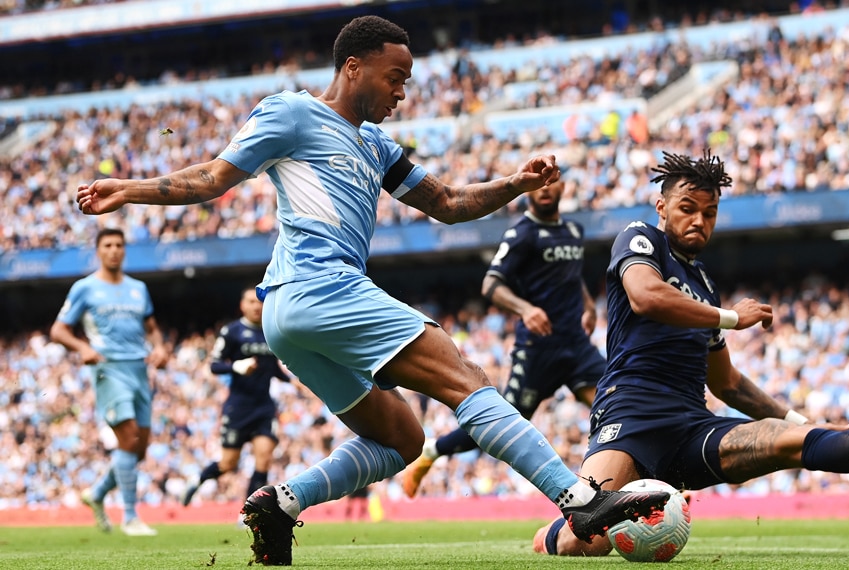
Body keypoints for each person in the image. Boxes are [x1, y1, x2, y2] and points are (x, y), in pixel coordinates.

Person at [76, 15, 669, 566]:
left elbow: (447, 203)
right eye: (396, 77)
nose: (402, 92)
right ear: (353, 67)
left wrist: (514, 183)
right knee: (464, 379)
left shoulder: (378, 146)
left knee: (402, 438)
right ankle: (578, 499)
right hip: (320, 287)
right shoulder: (290, 113)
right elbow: (212, 177)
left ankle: (282, 502)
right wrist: (131, 188)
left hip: (289, 316)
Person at [533, 151, 849, 556]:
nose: (699, 221)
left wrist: (801, 422)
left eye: (710, 213)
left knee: (792, 442)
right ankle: (548, 536)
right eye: (687, 208)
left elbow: (728, 384)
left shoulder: (703, 284)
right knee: (587, 539)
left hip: (690, 426)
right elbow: (645, 296)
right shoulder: (641, 239)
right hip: (630, 415)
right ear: (661, 207)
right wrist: (730, 317)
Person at [401, 179, 606, 498]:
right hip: (538, 349)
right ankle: (434, 451)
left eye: (553, 183)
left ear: (565, 187)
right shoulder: (521, 233)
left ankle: (616, 484)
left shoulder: (574, 232)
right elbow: (491, 285)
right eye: (540, 184)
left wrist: (589, 305)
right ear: (530, 191)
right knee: (503, 426)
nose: (546, 189)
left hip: (578, 345)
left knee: (613, 406)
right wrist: (526, 310)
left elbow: (571, 274)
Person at [50, 227, 169, 537]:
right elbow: (59, 330)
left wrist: (159, 347)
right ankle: (130, 516)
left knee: (139, 448)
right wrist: (83, 347)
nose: (114, 250)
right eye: (108, 245)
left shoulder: (138, 288)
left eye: (119, 245)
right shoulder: (85, 288)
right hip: (108, 368)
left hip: (139, 369)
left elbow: (152, 327)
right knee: (127, 437)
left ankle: (98, 493)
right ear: (98, 251)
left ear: (124, 250)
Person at [181, 287, 296, 509]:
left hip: (264, 407)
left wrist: (293, 381)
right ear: (242, 305)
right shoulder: (231, 332)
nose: (256, 306)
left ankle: (249, 512)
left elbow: (273, 369)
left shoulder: (270, 332)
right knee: (228, 464)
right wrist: (236, 366)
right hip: (238, 407)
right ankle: (197, 480)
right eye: (251, 302)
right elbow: (214, 364)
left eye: (259, 302)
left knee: (263, 459)